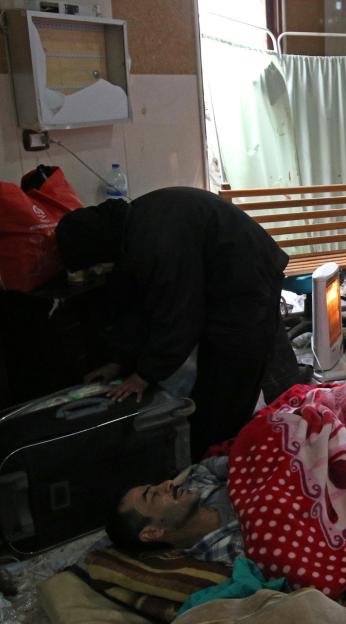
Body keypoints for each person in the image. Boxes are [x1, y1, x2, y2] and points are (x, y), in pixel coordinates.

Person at [55, 187, 291, 460]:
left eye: (93, 267)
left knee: (230, 381)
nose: (96, 272)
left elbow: (179, 315)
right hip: (225, 279)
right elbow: (140, 309)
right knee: (213, 382)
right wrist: (118, 362)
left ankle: (226, 462)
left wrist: (144, 375)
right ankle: (212, 453)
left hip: (246, 280)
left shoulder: (154, 240)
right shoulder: (133, 230)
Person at [105, 456, 242, 565]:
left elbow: (205, 466)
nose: (168, 483)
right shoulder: (226, 550)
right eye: (153, 495)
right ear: (153, 532)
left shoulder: (194, 483)